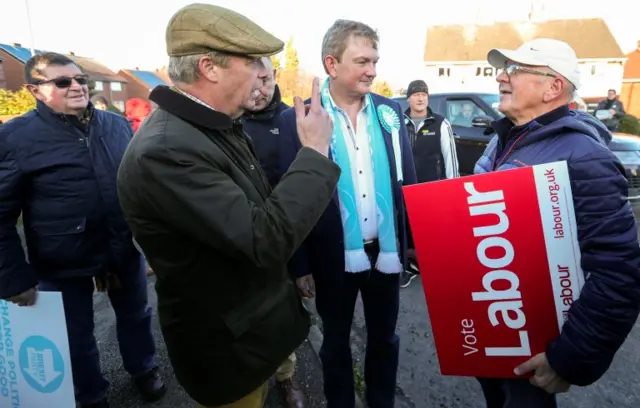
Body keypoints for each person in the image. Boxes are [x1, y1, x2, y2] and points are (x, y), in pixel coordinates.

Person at [115, 4, 339, 408]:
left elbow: (260, 213)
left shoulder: (211, 128)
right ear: (209, 67)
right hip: (229, 351)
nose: (262, 72)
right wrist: (316, 153)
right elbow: (264, 238)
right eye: (252, 60)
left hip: (252, 338)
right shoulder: (167, 150)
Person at [475, 38, 640, 408]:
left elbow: (618, 272)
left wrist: (568, 358)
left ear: (553, 87)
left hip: (536, 352)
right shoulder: (502, 141)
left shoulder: (585, 157)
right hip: (499, 331)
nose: (501, 76)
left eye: (515, 70)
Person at [0, 52, 165, 408]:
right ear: (35, 90)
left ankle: (144, 368)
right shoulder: (15, 138)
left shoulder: (115, 124)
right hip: (60, 259)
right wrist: (14, 278)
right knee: (76, 335)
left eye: (80, 80)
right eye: (62, 82)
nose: (76, 86)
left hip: (121, 248)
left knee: (137, 315)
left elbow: (138, 185)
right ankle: (90, 395)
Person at [278, 19, 417, 408]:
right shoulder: (299, 119)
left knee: (385, 339)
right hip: (330, 257)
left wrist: (411, 243)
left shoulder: (390, 113)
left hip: (385, 254)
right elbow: (291, 196)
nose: (372, 70)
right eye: (361, 61)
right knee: (335, 343)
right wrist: (300, 263)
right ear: (332, 64)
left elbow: (407, 182)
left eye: (374, 61)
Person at [240, 56, 304, 408]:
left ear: (275, 77)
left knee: (282, 310)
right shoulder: (230, 122)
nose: (260, 88)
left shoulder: (292, 119)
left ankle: (287, 375)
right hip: (245, 230)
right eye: (254, 79)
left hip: (286, 232)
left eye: (266, 79)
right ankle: (252, 379)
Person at [401, 79, 459, 288]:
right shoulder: (400, 122)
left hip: (431, 187)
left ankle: (435, 268)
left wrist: (453, 187)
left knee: (431, 229)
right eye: (416, 94)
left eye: (424, 94)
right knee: (406, 228)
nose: (420, 98)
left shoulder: (440, 123)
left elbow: (449, 157)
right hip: (406, 187)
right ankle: (409, 267)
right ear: (409, 98)